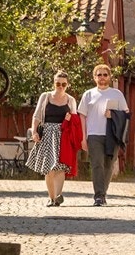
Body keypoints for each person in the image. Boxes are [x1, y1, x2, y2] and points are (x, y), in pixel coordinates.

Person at [25, 70, 80, 205]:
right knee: (49, 168)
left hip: (63, 136)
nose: (60, 86)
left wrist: (70, 118)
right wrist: (34, 132)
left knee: (60, 167)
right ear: (54, 83)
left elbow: (75, 121)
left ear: (67, 85)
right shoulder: (45, 96)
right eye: (58, 84)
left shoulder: (71, 100)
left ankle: (57, 196)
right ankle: (51, 197)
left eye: (63, 84)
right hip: (47, 134)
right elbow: (37, 116)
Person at [77, 63, 129, 206]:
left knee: (109, 165)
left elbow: (126, 114)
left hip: (112, 135)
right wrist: (83, 137)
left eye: (105, 75)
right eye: (99, 75)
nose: (102, 78)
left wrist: (112, 114)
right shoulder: (88, 94)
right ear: (94, 77)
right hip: (94, 134)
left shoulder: (117, 94)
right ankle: (99, 196)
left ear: (109, 77)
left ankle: (102, 194)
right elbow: (82, 116)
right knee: (97, 164)